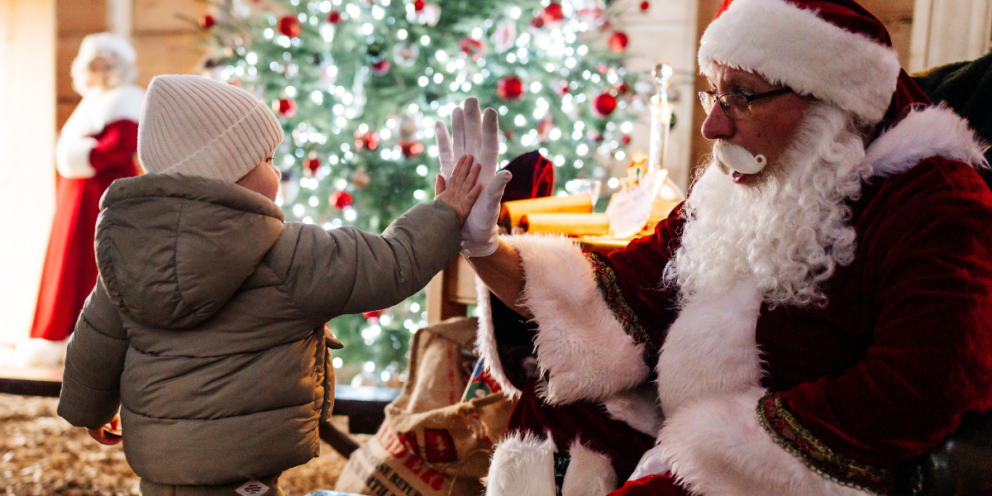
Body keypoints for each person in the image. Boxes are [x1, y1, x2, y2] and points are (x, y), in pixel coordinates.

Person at [442, 0, 992, 495]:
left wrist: (712, 449)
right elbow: (620, 291)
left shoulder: (935, 198)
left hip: (795, 467)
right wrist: (484, 247)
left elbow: (922, 387)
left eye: (742, 97)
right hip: (686, 431)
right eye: (714, 91)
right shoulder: (739, 183)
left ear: (829, 105)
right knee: (551, 422)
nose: (711, 124)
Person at [56, 76, 488, 496]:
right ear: (227, 174)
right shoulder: (288, 254)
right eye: (266, 160)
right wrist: (445, 213)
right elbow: (391, 264)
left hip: (161, 465)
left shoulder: (129, 257)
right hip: (245, 467)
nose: (277, 171)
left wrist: (89, 410)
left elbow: (95, 343)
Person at [16, 33, 145, 367]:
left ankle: (99, 338)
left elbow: (118, 149)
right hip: (78, 194)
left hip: (105, 192)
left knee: (99, 259)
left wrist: (76, 154)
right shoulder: (92, 100)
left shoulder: (127, 99)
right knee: (70, 260)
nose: (101, 72)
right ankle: (62, 333)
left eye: (106, 65)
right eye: (95, 65)